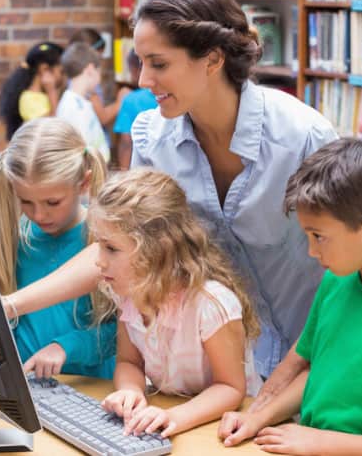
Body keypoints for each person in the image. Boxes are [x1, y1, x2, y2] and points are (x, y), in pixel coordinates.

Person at [4, 0, 337, 408]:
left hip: (307, 373)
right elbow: (118, 247)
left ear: (212, 59)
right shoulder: (153, 140)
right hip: (211, 383)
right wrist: (8, 305)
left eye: (158, 64)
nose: (143, 80)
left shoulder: (305, 139)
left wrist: (284, 386)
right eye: (140, 62)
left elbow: (343, 279)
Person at [218, 139, 362, 454]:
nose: (313, 252)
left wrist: (318, 441)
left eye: (319, 237)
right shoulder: (338, 281)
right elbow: (317, 371)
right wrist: (258, 417)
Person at [90, 169, 262, 437]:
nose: (99, 261)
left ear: (157, 248)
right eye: (99, 246)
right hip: (173, 417)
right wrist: (130, 391)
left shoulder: (211, 304)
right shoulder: (130, 294)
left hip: (230, 429)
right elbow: (128, 362)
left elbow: (231, 388)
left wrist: (174, 417)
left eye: (111, 248)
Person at [0, 118, 115, 379]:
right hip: (29, 389)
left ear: (84, 183)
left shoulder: (107, 241)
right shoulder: (15, 237)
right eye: (26, 202)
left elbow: (126, 333)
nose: (39, 215)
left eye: (53, 202)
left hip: (91, 388)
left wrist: (67, 346)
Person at [56, 42, 111, 162]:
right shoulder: (73, 107)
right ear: (90, 69)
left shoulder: (80, 102)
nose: (99, 78)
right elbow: (80, 152)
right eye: (99, 71)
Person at [0, 41, 64, 140]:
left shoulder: (44, 95)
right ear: (44, 69)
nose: (63, 77)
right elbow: (52, 127)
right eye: (61, 71)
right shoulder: (28, 99)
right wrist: (52, 91)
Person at [69, 28, 131, 129]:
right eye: (98, 59)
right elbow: (103, 118)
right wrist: (121, 102)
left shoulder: (73, 79)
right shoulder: (87, 85)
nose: (99, 65)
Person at [113, 48, 157, 170]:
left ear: (134, 69)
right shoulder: (169, 95)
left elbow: (126, 142)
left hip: (141, 173)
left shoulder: (130, 100)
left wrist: (124, 174)